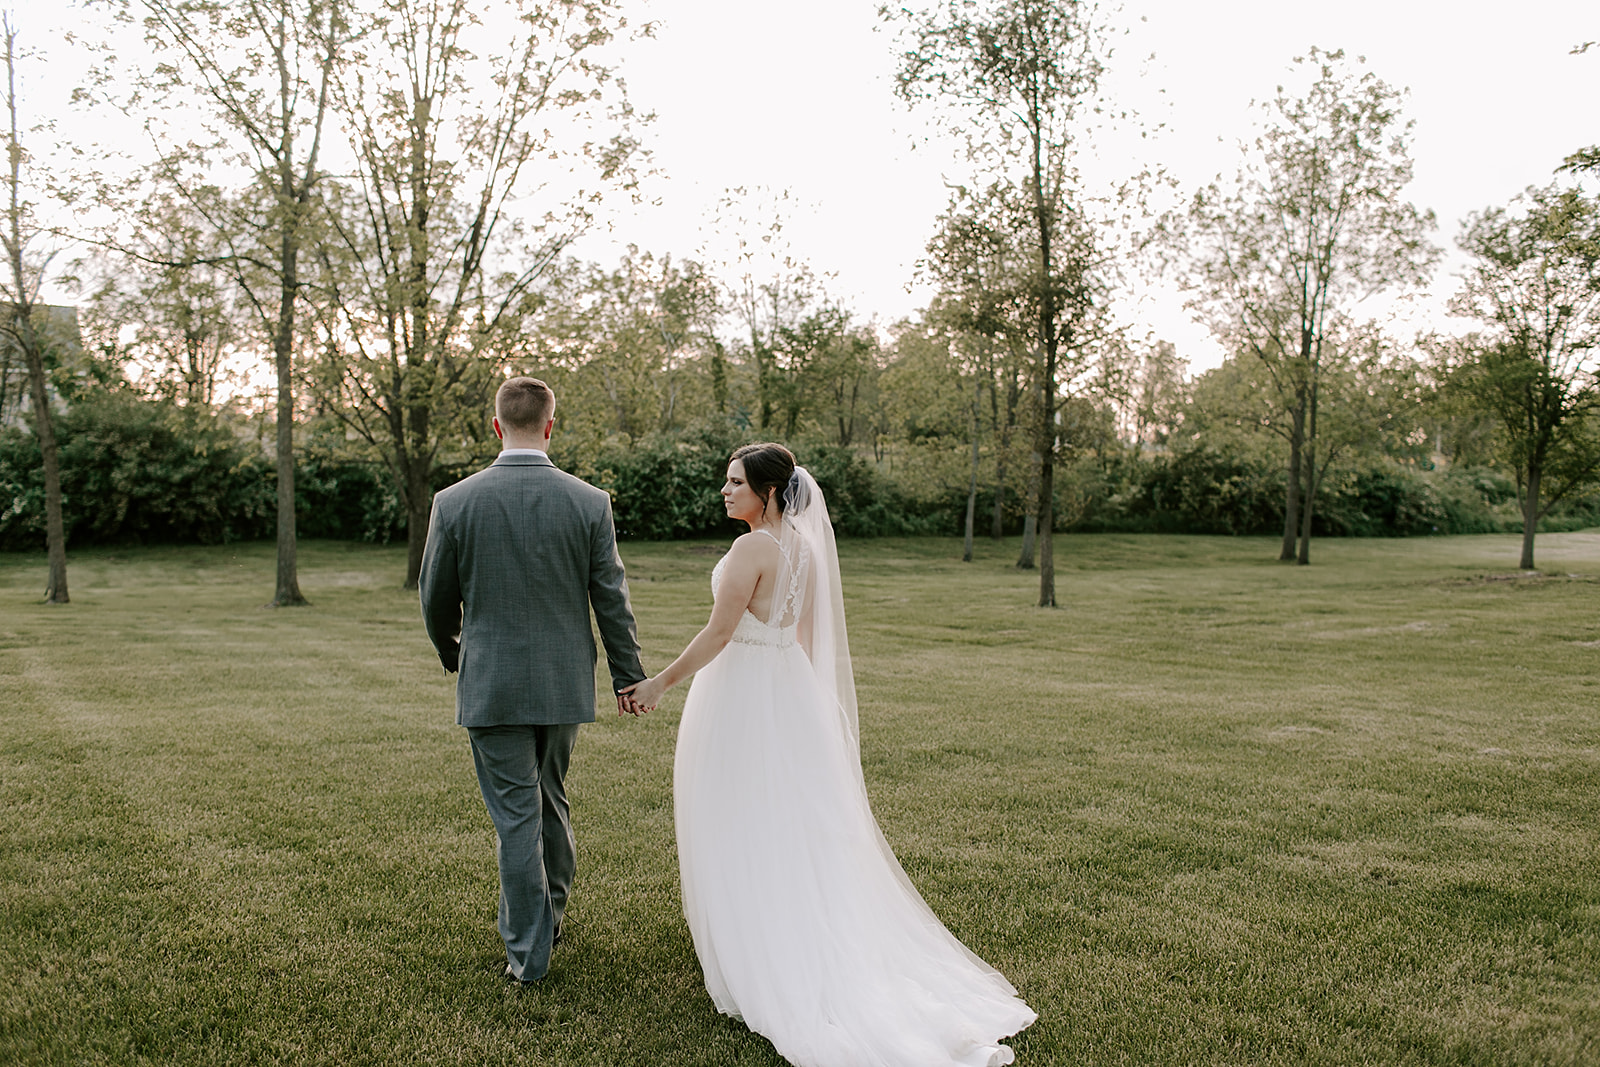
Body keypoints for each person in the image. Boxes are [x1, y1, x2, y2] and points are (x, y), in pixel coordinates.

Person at [621, 442, 1035, 1067]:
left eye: (736, 483)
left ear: (767, 492)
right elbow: (809, 636)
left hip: (743, 693)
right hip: (788, 689)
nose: (725, 492)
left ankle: (759, 949)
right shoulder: (805, 549)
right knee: (789, 823)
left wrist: (658, 684)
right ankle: (781, 928)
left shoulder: (752, 547)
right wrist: (811, 712)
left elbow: (720, 632)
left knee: (735, 813)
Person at [419, 376, 647, 985]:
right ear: (550, 425)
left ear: (496, 426)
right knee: (550, 798)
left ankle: (529, 954)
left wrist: (454, 653)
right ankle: (550, 920)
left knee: (518, 813)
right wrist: (628, 676)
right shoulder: (589, 501)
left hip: (491, 681)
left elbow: (434, 599)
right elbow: (612, 600)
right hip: (563, 680)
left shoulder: (454, 501)